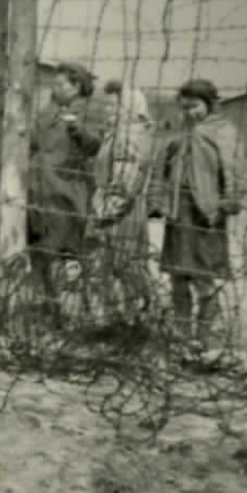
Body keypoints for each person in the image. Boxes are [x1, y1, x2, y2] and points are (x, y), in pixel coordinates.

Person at [152, 78, 245, 354]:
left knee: (204, 278)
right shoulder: (180, 136)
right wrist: (157, 202)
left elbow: (232, 170)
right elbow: (162, 171)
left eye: (194, 107)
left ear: (209, 104)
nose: (190, 113)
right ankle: (182, 335)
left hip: (206, 214)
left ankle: (203, 337)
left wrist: (228, 201)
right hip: (179, 215)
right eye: (184, 108)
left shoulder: (224, 132)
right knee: (178, 277)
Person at [27, 61, 109, 299]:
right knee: (40, 251)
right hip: (39, 189)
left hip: (67, 191)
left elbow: (94, 146)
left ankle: (73, 306)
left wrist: (77, 129)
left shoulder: (89, 110)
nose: (55, 88)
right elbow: (32, 140)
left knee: (62, 248)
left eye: (60, 84)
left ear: (76, 86)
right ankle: (47, 303)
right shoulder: (48, 111)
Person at [89, 85, 156, 322]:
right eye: (108, 104)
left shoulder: (128, 135)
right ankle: (124, 317)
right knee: (118, 266)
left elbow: (126, 180)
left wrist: (105, 209)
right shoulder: (121, 132)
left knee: (120, 265)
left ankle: (126, 319)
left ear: (129, 107)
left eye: (115, 104)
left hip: (118, 213)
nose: (109, 109)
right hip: (119, 208)